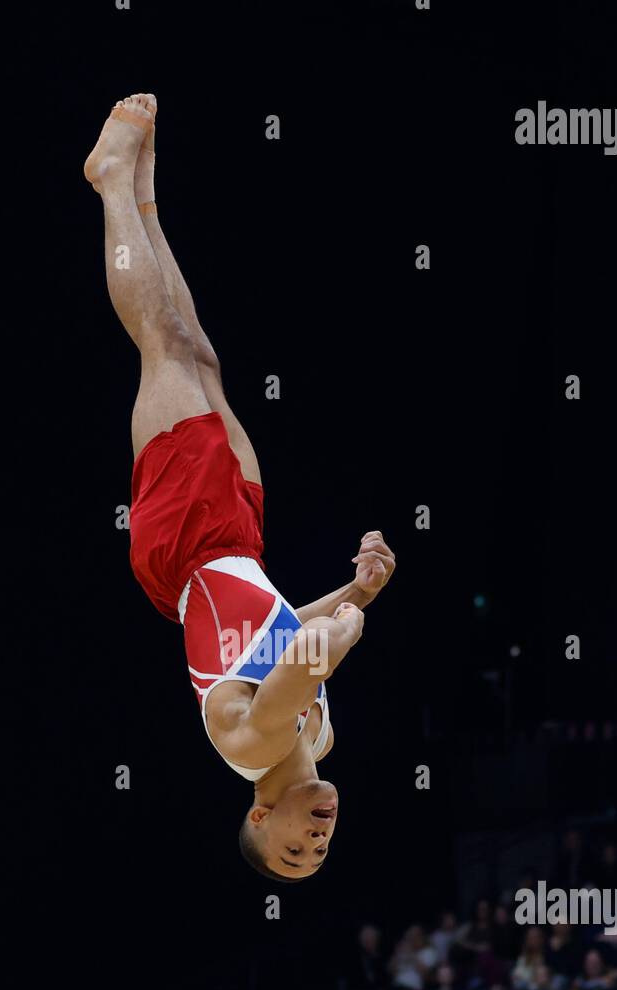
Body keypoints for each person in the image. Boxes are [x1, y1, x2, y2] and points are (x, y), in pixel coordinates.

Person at [84, 94, 396, 880]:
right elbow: (285, 637)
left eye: (292, 848)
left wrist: (341, 635)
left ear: (259, 815)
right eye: (318, 852)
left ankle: (111, 181)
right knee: (200, 356)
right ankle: (148, 197)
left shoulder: (250, 745)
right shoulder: (318, 741)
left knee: (160, 350)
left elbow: (298, 665)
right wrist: (355, 592)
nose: (316, 839)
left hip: (186, 550)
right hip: (237, 541)